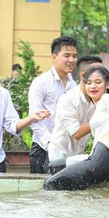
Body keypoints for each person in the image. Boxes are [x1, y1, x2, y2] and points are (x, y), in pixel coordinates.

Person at [28, 36, 78, 173]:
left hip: (66, 149)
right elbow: (34, 119)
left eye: (74, 56)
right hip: (43, 149)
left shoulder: (74, 86)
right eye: (66, 55)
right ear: (54, 57)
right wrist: (51, 144)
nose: (71, 60)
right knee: (41, 192)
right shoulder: (41, 82)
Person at [47, 55, 103, 173]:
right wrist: (103, 118)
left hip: (77, 160)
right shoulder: (68, 99)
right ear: (83, 76)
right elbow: (76, 132)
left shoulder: (99, 100)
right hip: (58, 160)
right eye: (97, 73)